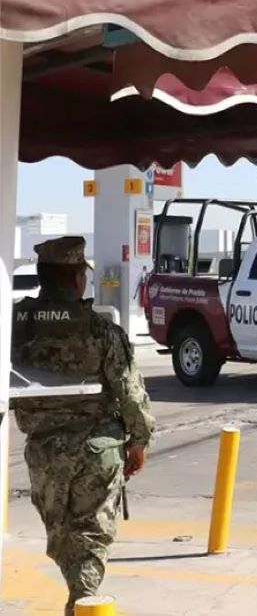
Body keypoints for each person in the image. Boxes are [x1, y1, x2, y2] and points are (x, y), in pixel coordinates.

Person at [10, 236, 156, 614]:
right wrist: (138, 441)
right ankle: (82, 604)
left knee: (62, 538)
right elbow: (130, 392)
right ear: (77, 279)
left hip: (43, 453)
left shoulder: (16, 329)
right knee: (90, 542)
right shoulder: (100, 331)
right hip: (97, 450)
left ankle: (79, 599)